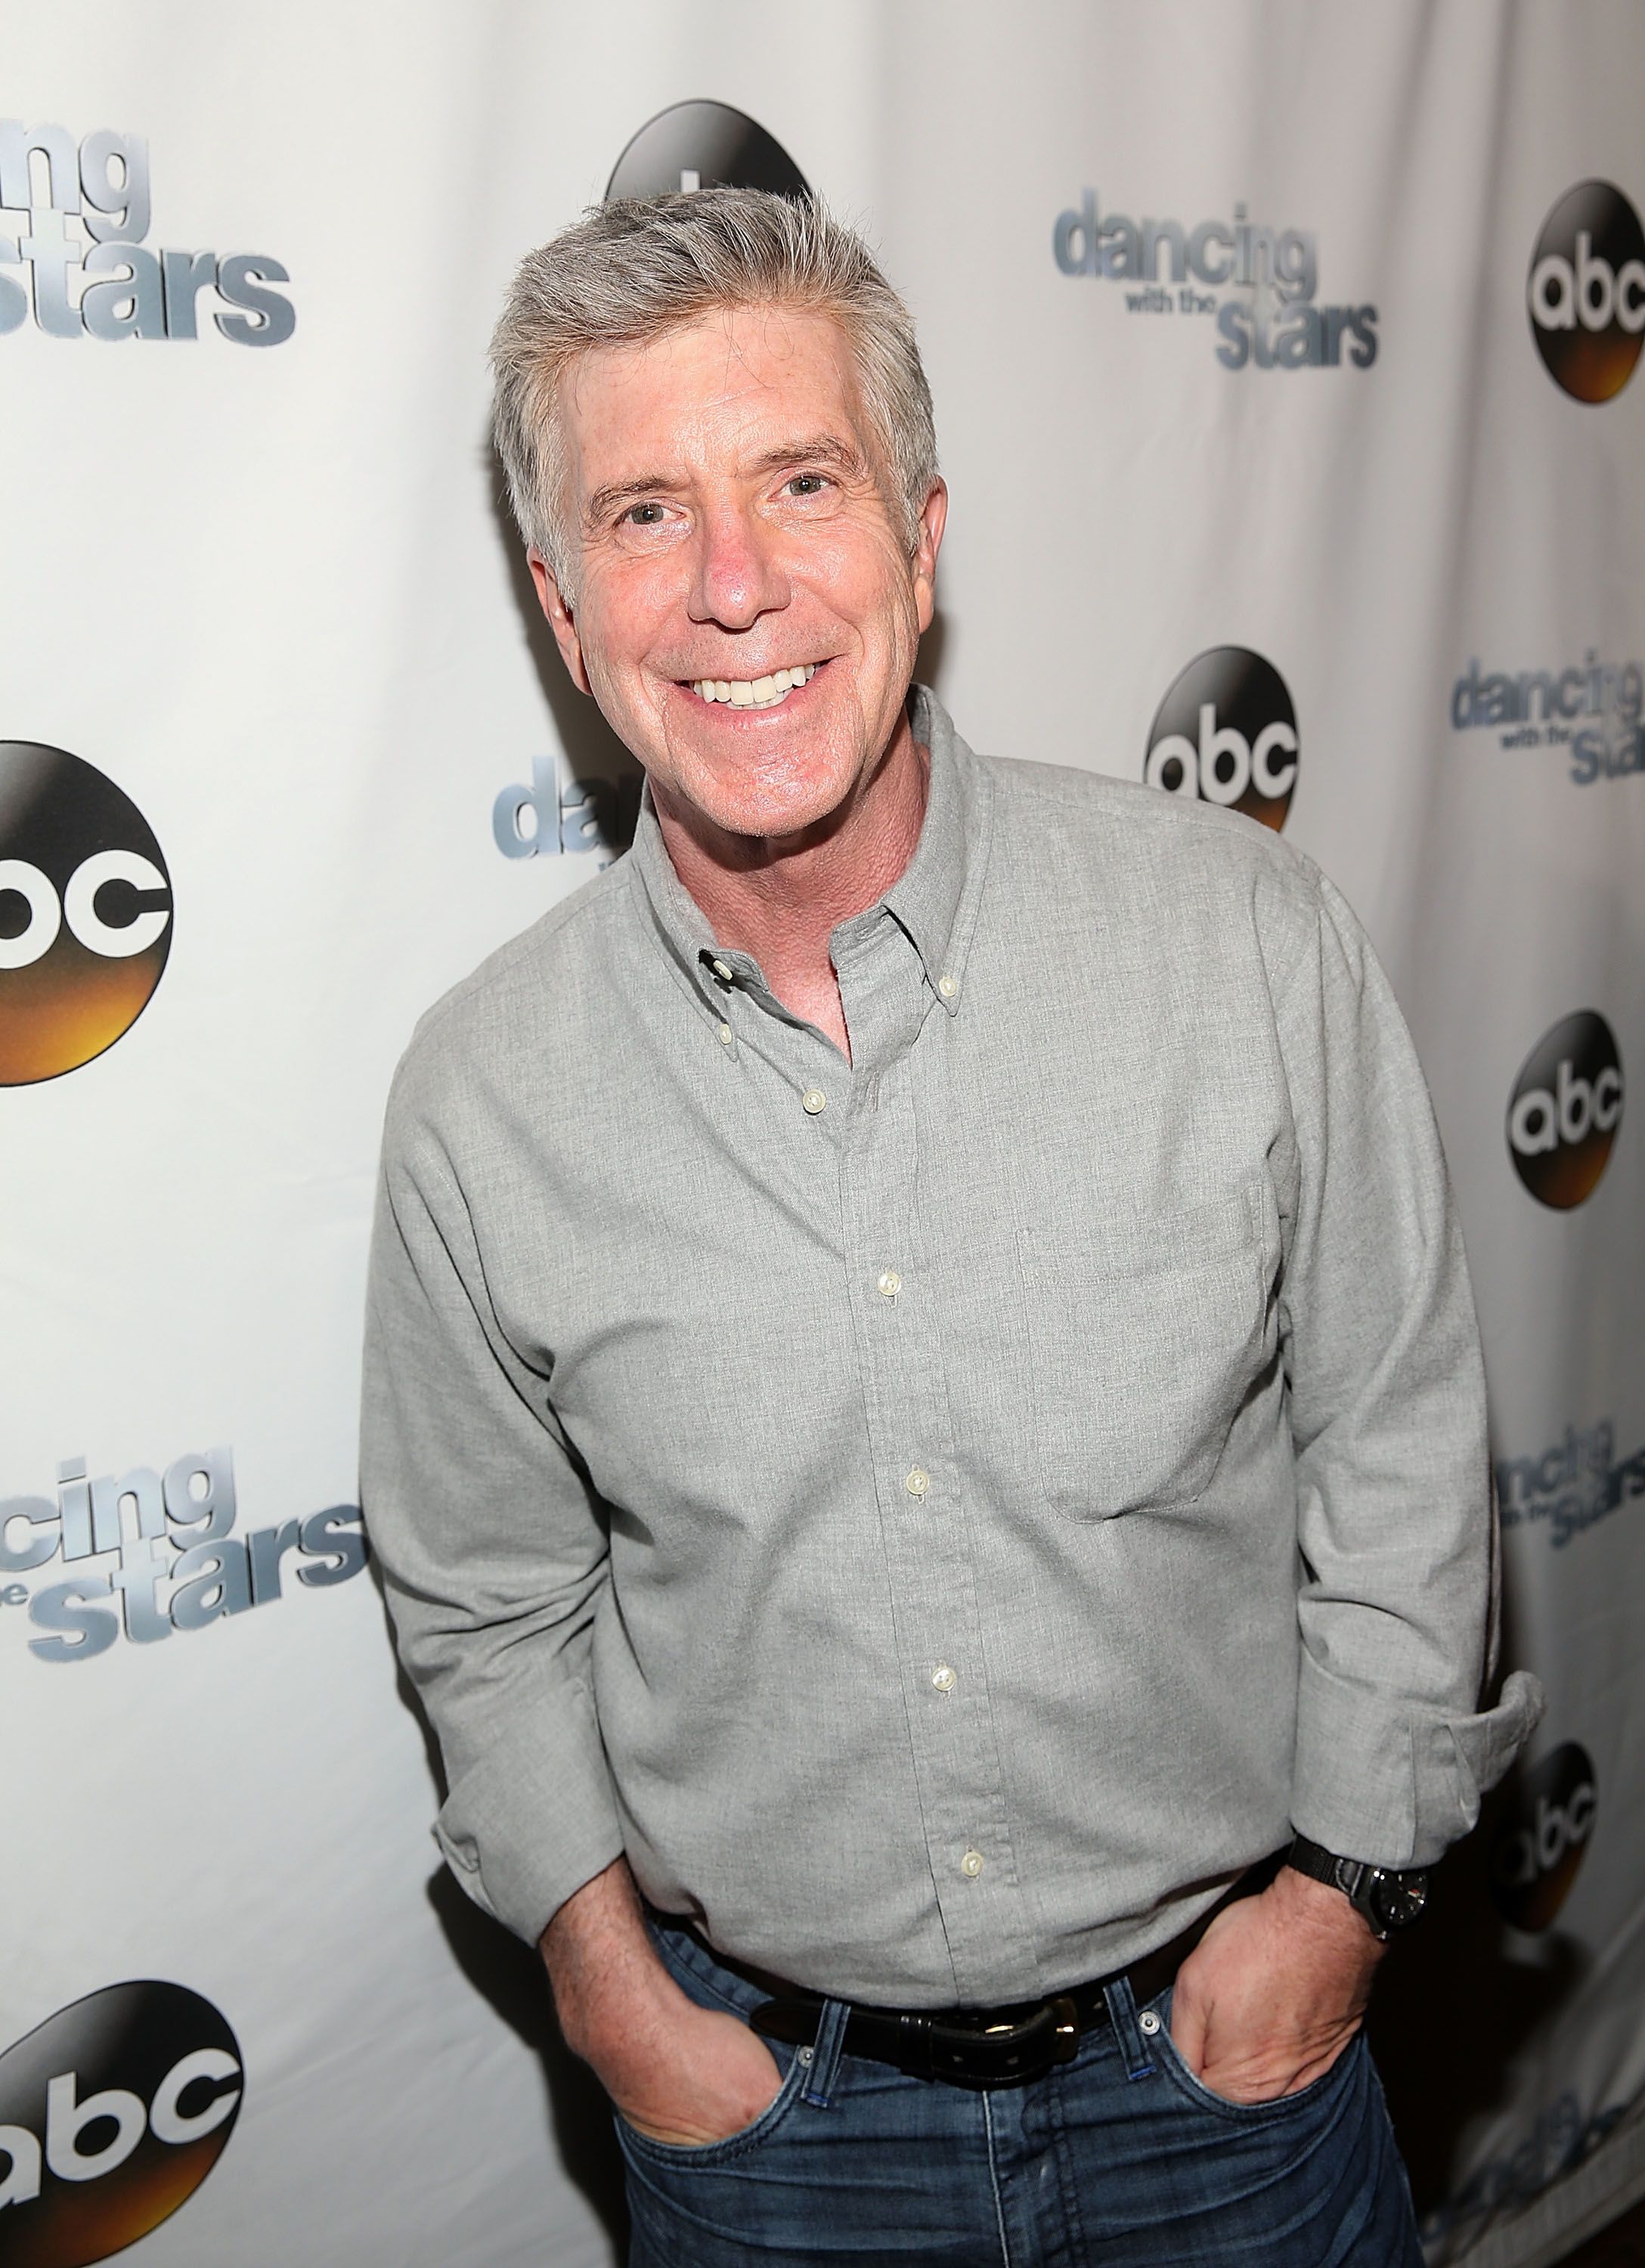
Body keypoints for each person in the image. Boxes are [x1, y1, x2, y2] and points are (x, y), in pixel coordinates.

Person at [361, 188, 1541, 2266]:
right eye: (645, 515)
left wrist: (1344, 1903)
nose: (734, 588)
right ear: (564, 608)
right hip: (768, 2136)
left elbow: (1400, 1446)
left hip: (1229, 2095)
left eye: (799, 483)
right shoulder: (486, 1093)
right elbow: (483, 1603)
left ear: (917, 536)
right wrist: (615, 1997)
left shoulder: (1244, 946)